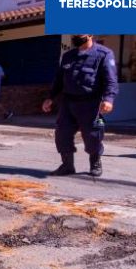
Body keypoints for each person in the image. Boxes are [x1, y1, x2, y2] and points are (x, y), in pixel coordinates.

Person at [42, 34, 118, 177]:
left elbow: (111, 80)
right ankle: (67, 165)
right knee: (62, 133)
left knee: (93, 135)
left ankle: (95, 162)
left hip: (91, 103)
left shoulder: (104, 54)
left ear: (90, 34)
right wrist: (50, 98)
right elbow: (59, 79)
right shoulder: (68, 56)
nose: (76, 36)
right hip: (68, 102)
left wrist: (108, 99)